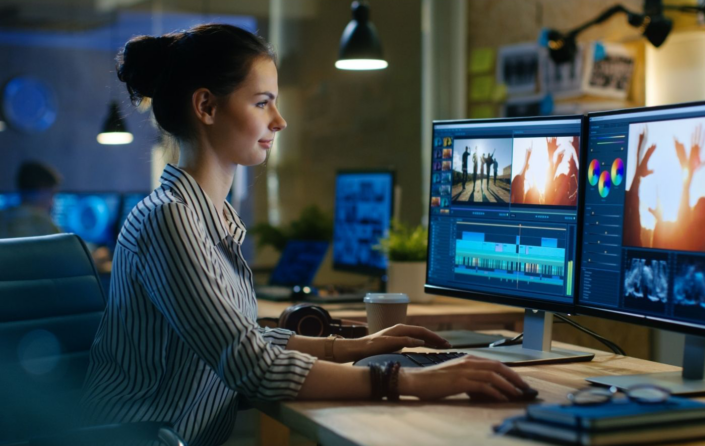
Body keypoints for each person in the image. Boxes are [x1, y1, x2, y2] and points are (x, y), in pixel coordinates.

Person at [79, 24, 529, 446]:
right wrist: (410, 380)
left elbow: (246, 338)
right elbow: (251, 364)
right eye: (262, 103)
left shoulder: (207, 216)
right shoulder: (169, 220)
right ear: (207, 107)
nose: (279, 121)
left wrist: (357, 346)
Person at [0, 161, 61, 238]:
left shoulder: (2, 217)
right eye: (52, 194)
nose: (52, 203)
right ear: (41, 189)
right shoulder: (44, 223)